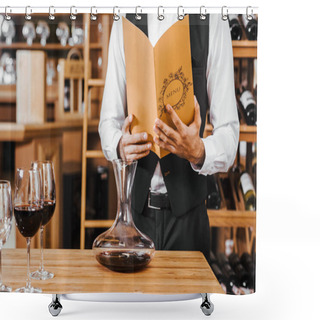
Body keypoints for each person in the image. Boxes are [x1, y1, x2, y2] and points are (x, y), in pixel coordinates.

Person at [99, 13, 239, 262]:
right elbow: (108, 122)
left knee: (188, 302)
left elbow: (229, 134)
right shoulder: (124, 20)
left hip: (190, 221)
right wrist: (119, 145)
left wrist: (199, 151)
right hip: (134, 217)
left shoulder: (214, 18)